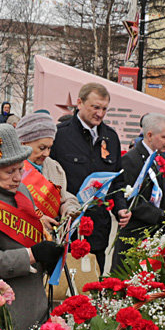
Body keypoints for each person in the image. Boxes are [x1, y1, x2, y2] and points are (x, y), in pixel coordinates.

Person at [0, 123, 62, 330]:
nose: (18, 177)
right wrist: (33, 254)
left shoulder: (22, 189)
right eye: (9, 172)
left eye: (20, 168)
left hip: (33, 302)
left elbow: (32, 229)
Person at [50, 83, 129, 272]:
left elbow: (117, 180)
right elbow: (49, 179)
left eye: (104, 109)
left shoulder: (111, 137)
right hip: (66, 226)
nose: (100, 114)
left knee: (94, 283)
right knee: (64, 290)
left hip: (98, 228)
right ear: (79, 103)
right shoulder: (60, 135)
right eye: (95, 107)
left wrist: (121, 208)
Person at [115, 113, 165, 265]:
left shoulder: (163, 160)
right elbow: (130, 198)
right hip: (136, 236)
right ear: (149, 135)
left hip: (158, 234)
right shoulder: (131, 159)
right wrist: (162, 216)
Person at [17, 112, 80, 230]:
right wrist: (36, 217)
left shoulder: (54, 167)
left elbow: (62, 197)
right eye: (42, 148)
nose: (46, 153)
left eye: (49, 148)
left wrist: (69, 209)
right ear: (24, 143)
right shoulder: (9, 169)